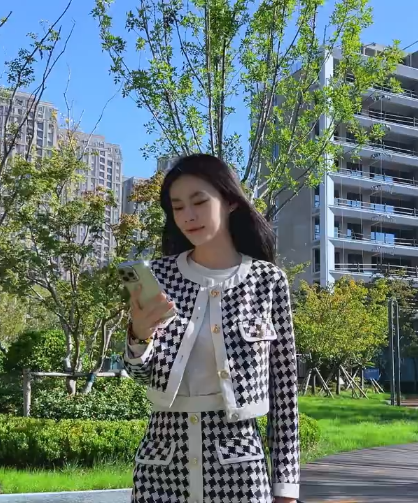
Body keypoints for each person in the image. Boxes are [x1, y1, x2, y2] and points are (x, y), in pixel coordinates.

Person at [124, 153, 300, 503]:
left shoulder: (267, 281)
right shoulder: (159, 276)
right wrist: (138, 338)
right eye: (177, 207)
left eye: (199, 202)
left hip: (240, 470)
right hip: (161, 467)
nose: (188, 216)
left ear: (231, 201)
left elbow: (284, 392)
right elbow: (141, 375)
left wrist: (286, 487)